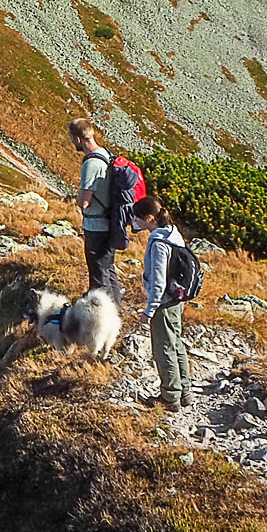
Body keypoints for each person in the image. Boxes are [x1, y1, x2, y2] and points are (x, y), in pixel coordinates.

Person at [134, 195, 191, 409]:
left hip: (164, 303)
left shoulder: (158, 243)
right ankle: (184, 391)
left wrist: (149, 311)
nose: (135, 222)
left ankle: (169, 397)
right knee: (176, 343)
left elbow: (158, 281)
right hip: (177, 299)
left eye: (138, 218)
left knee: (163, 348)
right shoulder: (174, 234)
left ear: (149, 218)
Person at [68, 118, 120, 304]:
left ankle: (102, 315)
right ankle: (116, 310)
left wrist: (77, 199)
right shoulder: (105, 153)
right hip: (110, 222)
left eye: (72, 139)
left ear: (78, 138)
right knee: (108, 269)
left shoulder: (91, 164)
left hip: (96, 226)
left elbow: (84, 202)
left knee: (98, 273)